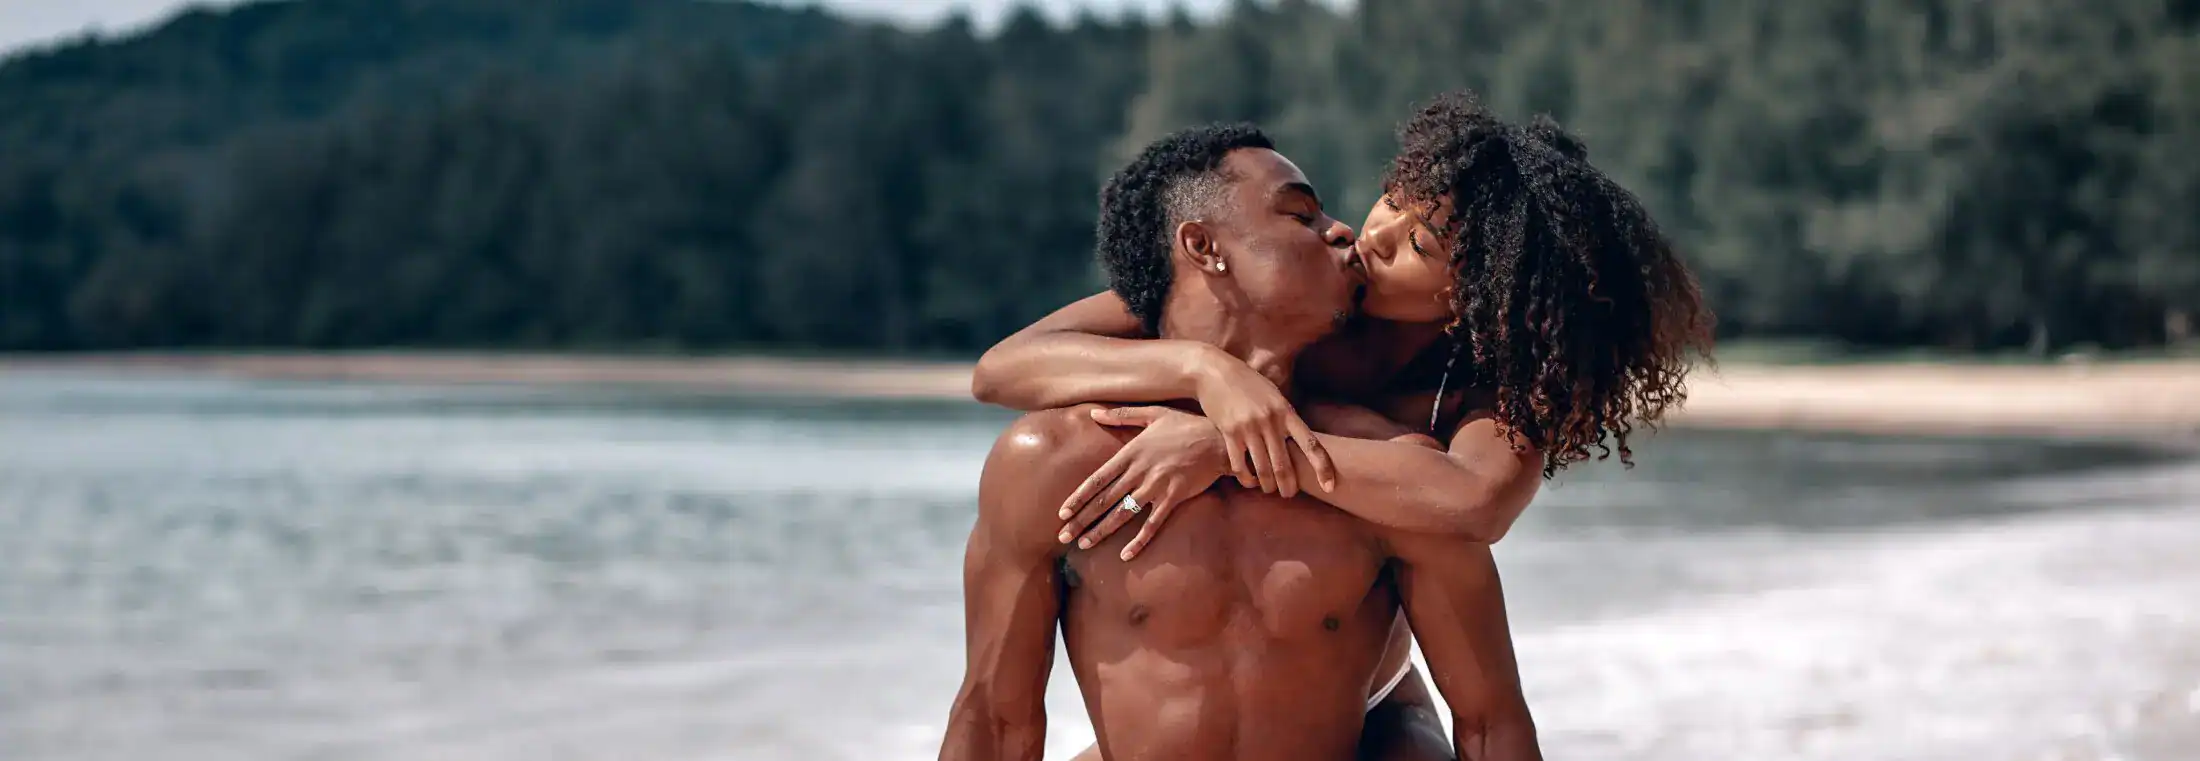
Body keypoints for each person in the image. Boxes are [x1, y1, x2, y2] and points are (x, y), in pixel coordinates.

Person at [967, 91, 1716, 759]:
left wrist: (1232, 445)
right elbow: (1005, 368)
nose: (1369, 235)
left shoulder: (1466, 400)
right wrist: (1204, 372)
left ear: (1475, 296)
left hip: (1370, 694)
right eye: (1393, 201)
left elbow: (1476, 499)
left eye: (1421, 245)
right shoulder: (1280, 298)